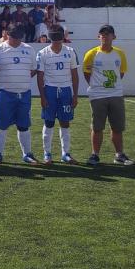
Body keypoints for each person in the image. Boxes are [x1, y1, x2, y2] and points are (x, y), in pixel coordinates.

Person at [83, 25, 134, 166]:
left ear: (114, 36)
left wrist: (112, 87)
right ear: (98, 36)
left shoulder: (120, 54)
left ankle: (119, 155)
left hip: (116, 94)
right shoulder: (91, 54)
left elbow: (121, 73)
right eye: (102, 34)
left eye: (108, 33)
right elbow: (86, 73)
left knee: (117, 127)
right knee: (97, 127)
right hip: (97, 95)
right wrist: (97, 86)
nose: (105, 36)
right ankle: (95, 155)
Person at [0, 25, 39, 165]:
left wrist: (21, 79)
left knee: (24, 125)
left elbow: (34, 69)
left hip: (24, 93)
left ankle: (27, 154)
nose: (17, 41)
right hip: (4, 93)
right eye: (14, 38)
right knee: (1, 126)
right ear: (7, 35)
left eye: (19, 38)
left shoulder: (29, 49)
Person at [35, 24, 79, 165]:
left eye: (58, 35)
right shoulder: (42, 53)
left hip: (66, 91)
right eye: (54, 36)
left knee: (65, 122)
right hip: (50, 90)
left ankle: (65, 153)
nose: (56, 39)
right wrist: (42, 96)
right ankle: (47, 154)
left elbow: (75, 75)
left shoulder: (71, 52)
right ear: (50, 36)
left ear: (62, 36)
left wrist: (75, 95)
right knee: (49, 122)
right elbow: (40, 77)